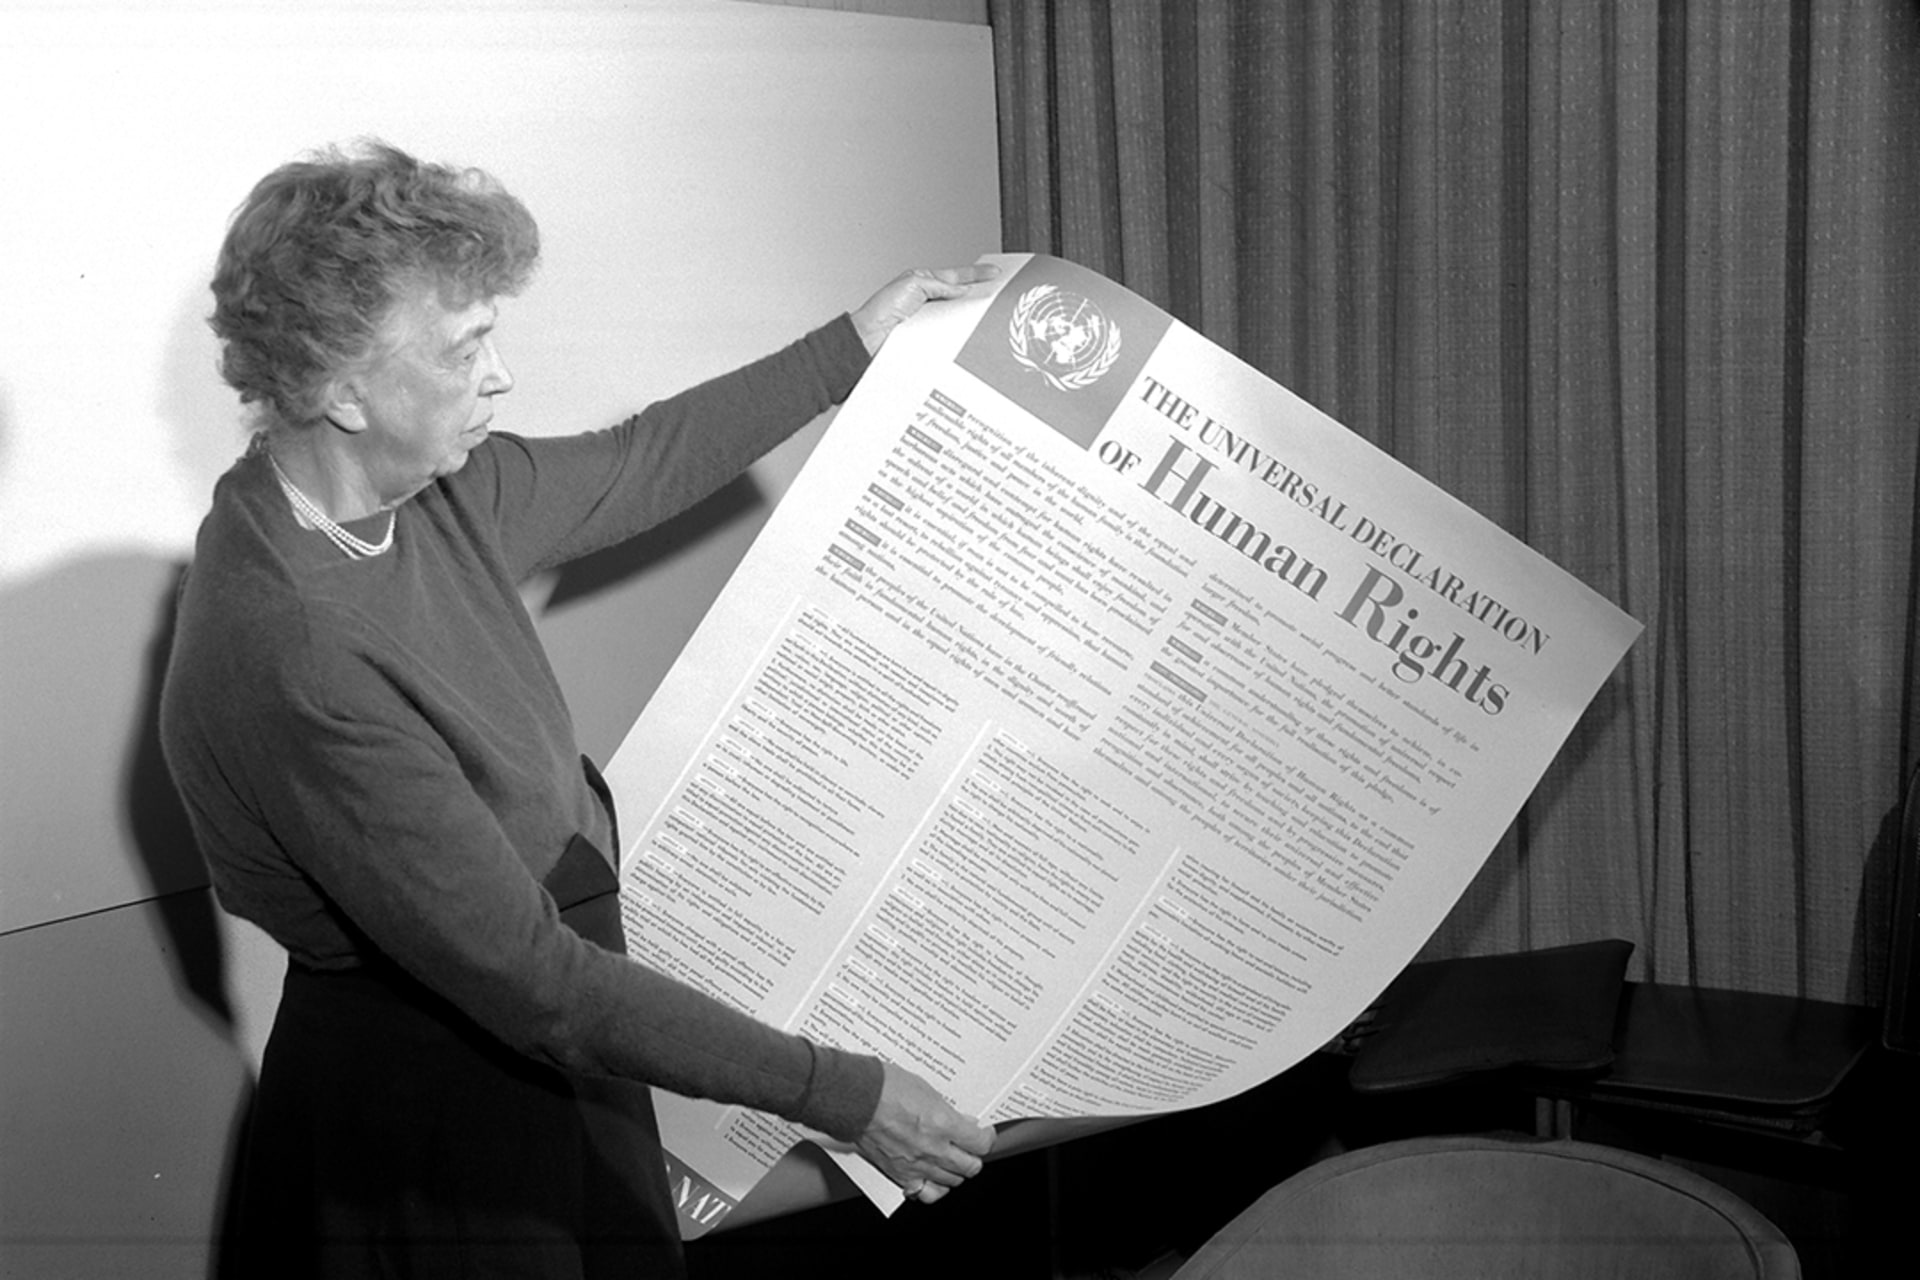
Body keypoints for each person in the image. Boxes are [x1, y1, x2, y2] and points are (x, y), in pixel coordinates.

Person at [158, 139, 996, 1279]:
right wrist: (844, 1095)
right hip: (435, 1113)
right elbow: (537, 983)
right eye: (464, 348)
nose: (499, 374)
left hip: (545, 1033)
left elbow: (637, 460)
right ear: (340, 387)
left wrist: (853, 343)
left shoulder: (433, 492)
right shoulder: (295, 642)